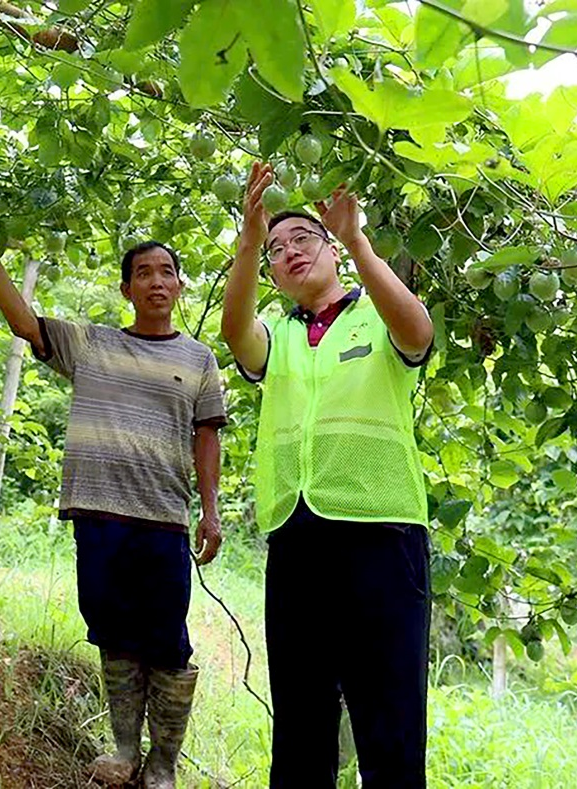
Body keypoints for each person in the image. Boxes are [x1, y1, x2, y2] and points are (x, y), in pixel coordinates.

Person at [0, 220, 226, 789]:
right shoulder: (92, 343)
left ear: (180, 285)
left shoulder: (199, 360)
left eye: (166, 272)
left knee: (168, 642)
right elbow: (24, 323)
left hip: (164, 520)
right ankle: (123, 752)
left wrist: (211, 511)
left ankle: (163, 766)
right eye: (143, 273)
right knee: (113, 633)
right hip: (97, 516)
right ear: (127, 289)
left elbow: (207, 436)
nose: (156, 281)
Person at [219, 163, 435, 788]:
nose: (288, 253)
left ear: (332, 250)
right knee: (301, 713)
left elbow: (418, 332)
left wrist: (359, 239)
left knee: (388, 711)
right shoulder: (278, 335)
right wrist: (248, 242)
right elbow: (235, 330)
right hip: (298, 534)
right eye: (277, 250)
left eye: (303, 240)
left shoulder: (374, 314)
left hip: (381, 532)